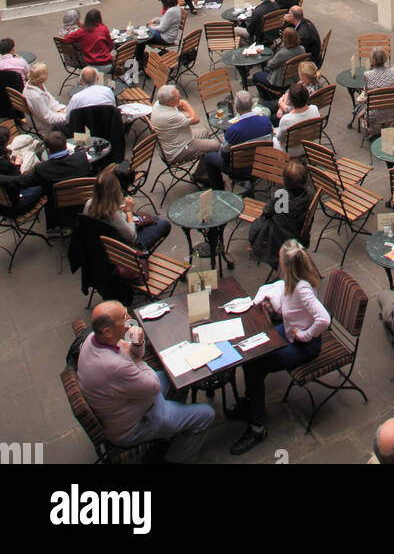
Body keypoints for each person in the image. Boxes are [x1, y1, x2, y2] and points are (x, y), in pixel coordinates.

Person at [77, 301, 214, 462]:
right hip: (136, 424)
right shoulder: (114, 366)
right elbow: (153, 385)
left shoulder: (93, 338)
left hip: (130, 400)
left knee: (179, 375)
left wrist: (137, 344)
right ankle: (175, 459)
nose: (129, 318)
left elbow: (133, 355)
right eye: (124, 317)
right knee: (207, 414)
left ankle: (171, 430)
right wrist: (135, 361)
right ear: (107, 331)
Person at [230, 242, 331, 454]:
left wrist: (305, 335)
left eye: (279, 259)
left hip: (303, 346)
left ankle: (257, 427)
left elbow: (323, 319)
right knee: (250, 351)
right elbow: (292, 308)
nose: (277, 263)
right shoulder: (292, 281)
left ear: (286, 265)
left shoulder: (302, 288)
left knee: (255, 363)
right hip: (288, 333)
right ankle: (251, 402)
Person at [149, 84, 223, 189]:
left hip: (177, 140)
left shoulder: (158, 104)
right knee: (215, 145)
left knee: (204, 133)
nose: (180, 96)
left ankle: (203, 170)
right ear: (169, 102)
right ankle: (199, 175)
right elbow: (196, 119)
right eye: (177, 96)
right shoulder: (171, 116)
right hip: (179, 149)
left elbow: (187, 115)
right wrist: (184, 103)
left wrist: (185, 112)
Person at [84, 166, 171, 254]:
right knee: (164, 224)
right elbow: (132, 236)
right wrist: (129, 211)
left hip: (101, 244)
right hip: (122, 248)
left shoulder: (89, 204)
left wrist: (120, 210)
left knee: (154, 218)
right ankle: (143, 252)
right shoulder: (112, 213)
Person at [249, 158, 315, 267]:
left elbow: (266, 212)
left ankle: (254, 243)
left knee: (259, 223)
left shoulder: (281, 198)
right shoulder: (309, 195)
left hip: (280, 239)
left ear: (285, 181)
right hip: (299, 235)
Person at [204, 90, 273, 187]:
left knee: (209, 157)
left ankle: (218, 191)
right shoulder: (265, 121)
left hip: (239, 170)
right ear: (252, 104)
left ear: (236, 108)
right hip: (262, 163)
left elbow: (224, 155)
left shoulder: (233, 131)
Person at [251, 27, 302, 105]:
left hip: (280, 83)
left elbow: (270, 65)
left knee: (256, 76)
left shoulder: (283, 53)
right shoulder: (302, 49)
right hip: (294, 78)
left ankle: (265, 98)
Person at [136, 0, 183, 71]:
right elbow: (167, 21)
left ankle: (139, 59)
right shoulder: (176, 8)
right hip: (169, 36)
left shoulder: (170, 11)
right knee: (143, 34)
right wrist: (156, 20)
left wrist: (151, 27)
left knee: (142, 36)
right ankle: (140, 58)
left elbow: (162, 28)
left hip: (165, 38)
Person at [22, 62, 70, 138]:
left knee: (71, 115)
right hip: (45, 126)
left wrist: (60, 109)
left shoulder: (36, 84)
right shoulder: (35, 97)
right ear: (43, 78)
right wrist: (65, 116)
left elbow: (50, 100)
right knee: (74, 123)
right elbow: (47, 118)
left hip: (47, 116)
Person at [0, 124, 42, 208]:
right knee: (45, 182)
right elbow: (19, 180)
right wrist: (17, 165)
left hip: (4, 202)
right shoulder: (5, 165)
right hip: (16, 203)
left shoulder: (4, 161)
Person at [273, 83, 320, 152]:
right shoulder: (314, 109)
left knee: (270, 138)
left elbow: (279, 138)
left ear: (291, 101)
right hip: (309, 146)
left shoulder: (286, 119)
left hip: (291, 151)